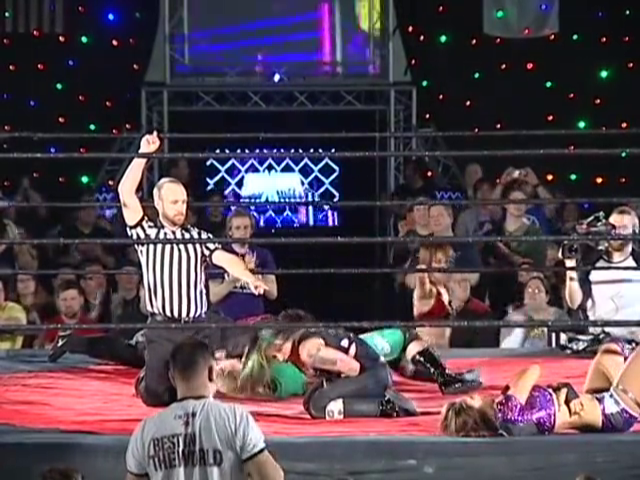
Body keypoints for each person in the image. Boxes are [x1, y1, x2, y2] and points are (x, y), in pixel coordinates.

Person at [116, 131, 267, 407]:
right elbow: (126, 193)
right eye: (174, 202)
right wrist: (143, 154)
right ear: (159, 203)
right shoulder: (147, 234)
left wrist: (248, 277)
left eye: (184, 202)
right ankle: (146, 380)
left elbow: (224, 258)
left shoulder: (198, 238)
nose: (180, 208)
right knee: (157, 397)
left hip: (196, 328)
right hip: (162, 327)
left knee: (199, 395)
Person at [125, 339, 283, 480]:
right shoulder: (236, 419)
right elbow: (272, 478)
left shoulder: (146, 431)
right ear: (212, 372)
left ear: (172, 378)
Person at [440, 340, 640, 436]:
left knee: (612, 350)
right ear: (476, 416)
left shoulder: (508, 421)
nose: (476, 395)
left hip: (597, 402)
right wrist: (508, 390)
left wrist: (562, 392)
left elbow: (552, 396)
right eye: (471, 400)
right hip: (614, 409)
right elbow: (533, 370)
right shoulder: (507, 411)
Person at [252, 327, 418, 419]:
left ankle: (387, 407)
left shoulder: (308, 352)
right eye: (274, 357)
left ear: (283, 338)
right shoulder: (302, 338)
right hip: (371, 372)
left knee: (319, 405)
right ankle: (382, 399)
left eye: (278, 350)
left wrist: (332, 384)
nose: (280, 358)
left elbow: (352, 367)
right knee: (309, 401)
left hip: (372, 375)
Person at [565, 206, 640, 339]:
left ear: (634, 232)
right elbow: (574, 303)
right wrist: (570, 267)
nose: (616, 232)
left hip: (634, 340)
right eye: (613, 227)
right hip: (599, 339)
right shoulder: (591, 262)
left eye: (623, 228)